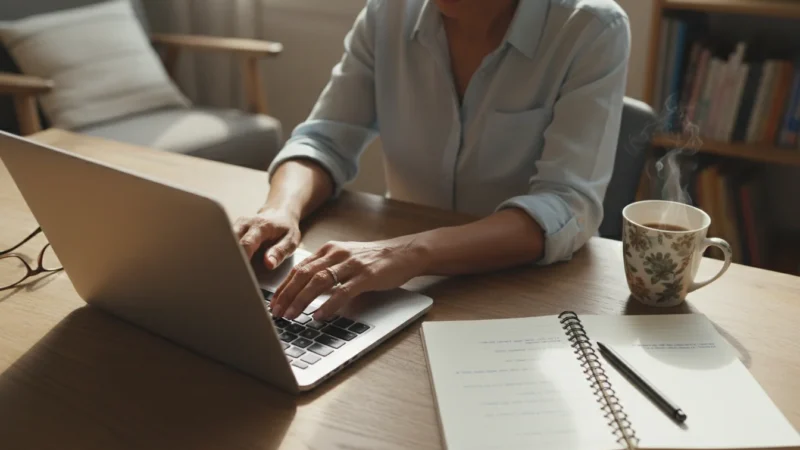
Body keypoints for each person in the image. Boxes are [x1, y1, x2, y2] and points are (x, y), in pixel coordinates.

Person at [233, 0, 630, 321]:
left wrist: (406, 252)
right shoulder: (385, 13)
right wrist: (281, 209)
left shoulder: (592, 28)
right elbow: (324, 138)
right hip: (398, 290)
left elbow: (566, 205)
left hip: (524, 294)